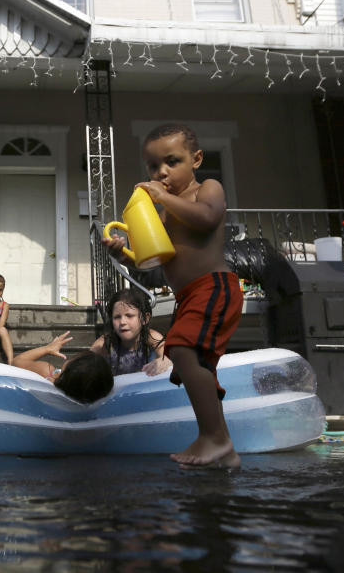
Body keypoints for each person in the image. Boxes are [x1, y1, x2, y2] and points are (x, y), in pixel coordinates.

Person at [103, 123, 243, 468]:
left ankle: (217, 439)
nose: (161, 171)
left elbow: (209, 219)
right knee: (194, 364)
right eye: (153, 166)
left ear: (196, 159)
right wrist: (125, 255)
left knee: (180, 348)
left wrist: (163, 197)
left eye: (172, 161)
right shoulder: (165, 212)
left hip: (215, 285)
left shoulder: (206, 189)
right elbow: (158, 259)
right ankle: (222, 449)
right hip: (190, 294)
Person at [11, 332, 114, 404]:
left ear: (70, 364)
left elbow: (16, 362)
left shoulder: (47, 374)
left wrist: (47, 349)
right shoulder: (94, 397)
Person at [90, 287, 171, 376]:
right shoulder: (106, 342)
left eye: (129, 316)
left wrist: (165, 360)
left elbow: (168, 356)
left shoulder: (151, 337)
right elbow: (84, 363)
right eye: (117, 317)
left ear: (145, 318)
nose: (122, 322)